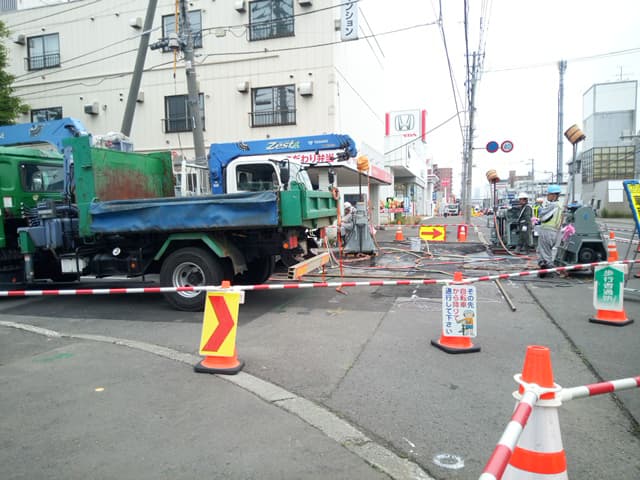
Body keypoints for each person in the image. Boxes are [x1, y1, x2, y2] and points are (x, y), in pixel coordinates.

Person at [536, 185, 563, 276]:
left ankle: (548, 270)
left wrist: (540, 211)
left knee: (544, 252)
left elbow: (542, 216)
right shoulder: (560, 205)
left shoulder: (552, 205)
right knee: (549, 251)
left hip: (547, 230)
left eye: (548, 194)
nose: (547, 196)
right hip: (556, 231)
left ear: (554, 195)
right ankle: (546, 267)